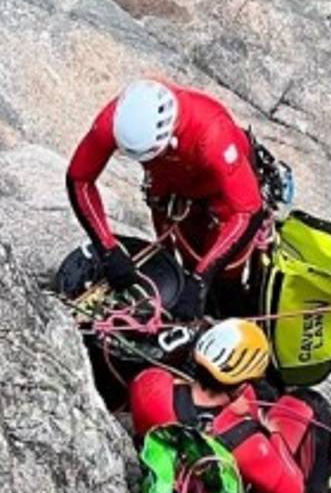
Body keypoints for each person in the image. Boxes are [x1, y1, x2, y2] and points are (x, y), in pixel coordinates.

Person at [127, 319, 331, 493]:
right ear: (241, 386)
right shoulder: (247, 443)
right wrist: (269, 431)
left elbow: (180, 387)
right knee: (310, 402)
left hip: (170, 475)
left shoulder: (149, 385)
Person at [66, 79, 268, 319]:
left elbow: (248, 211)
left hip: (224, 198)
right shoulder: (115, 122)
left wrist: (202, 280)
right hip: (174, 191)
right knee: (181, 266)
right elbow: (79, 180)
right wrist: (108, 250)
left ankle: (233, 315)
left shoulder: (212, 133)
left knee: (225, 282)